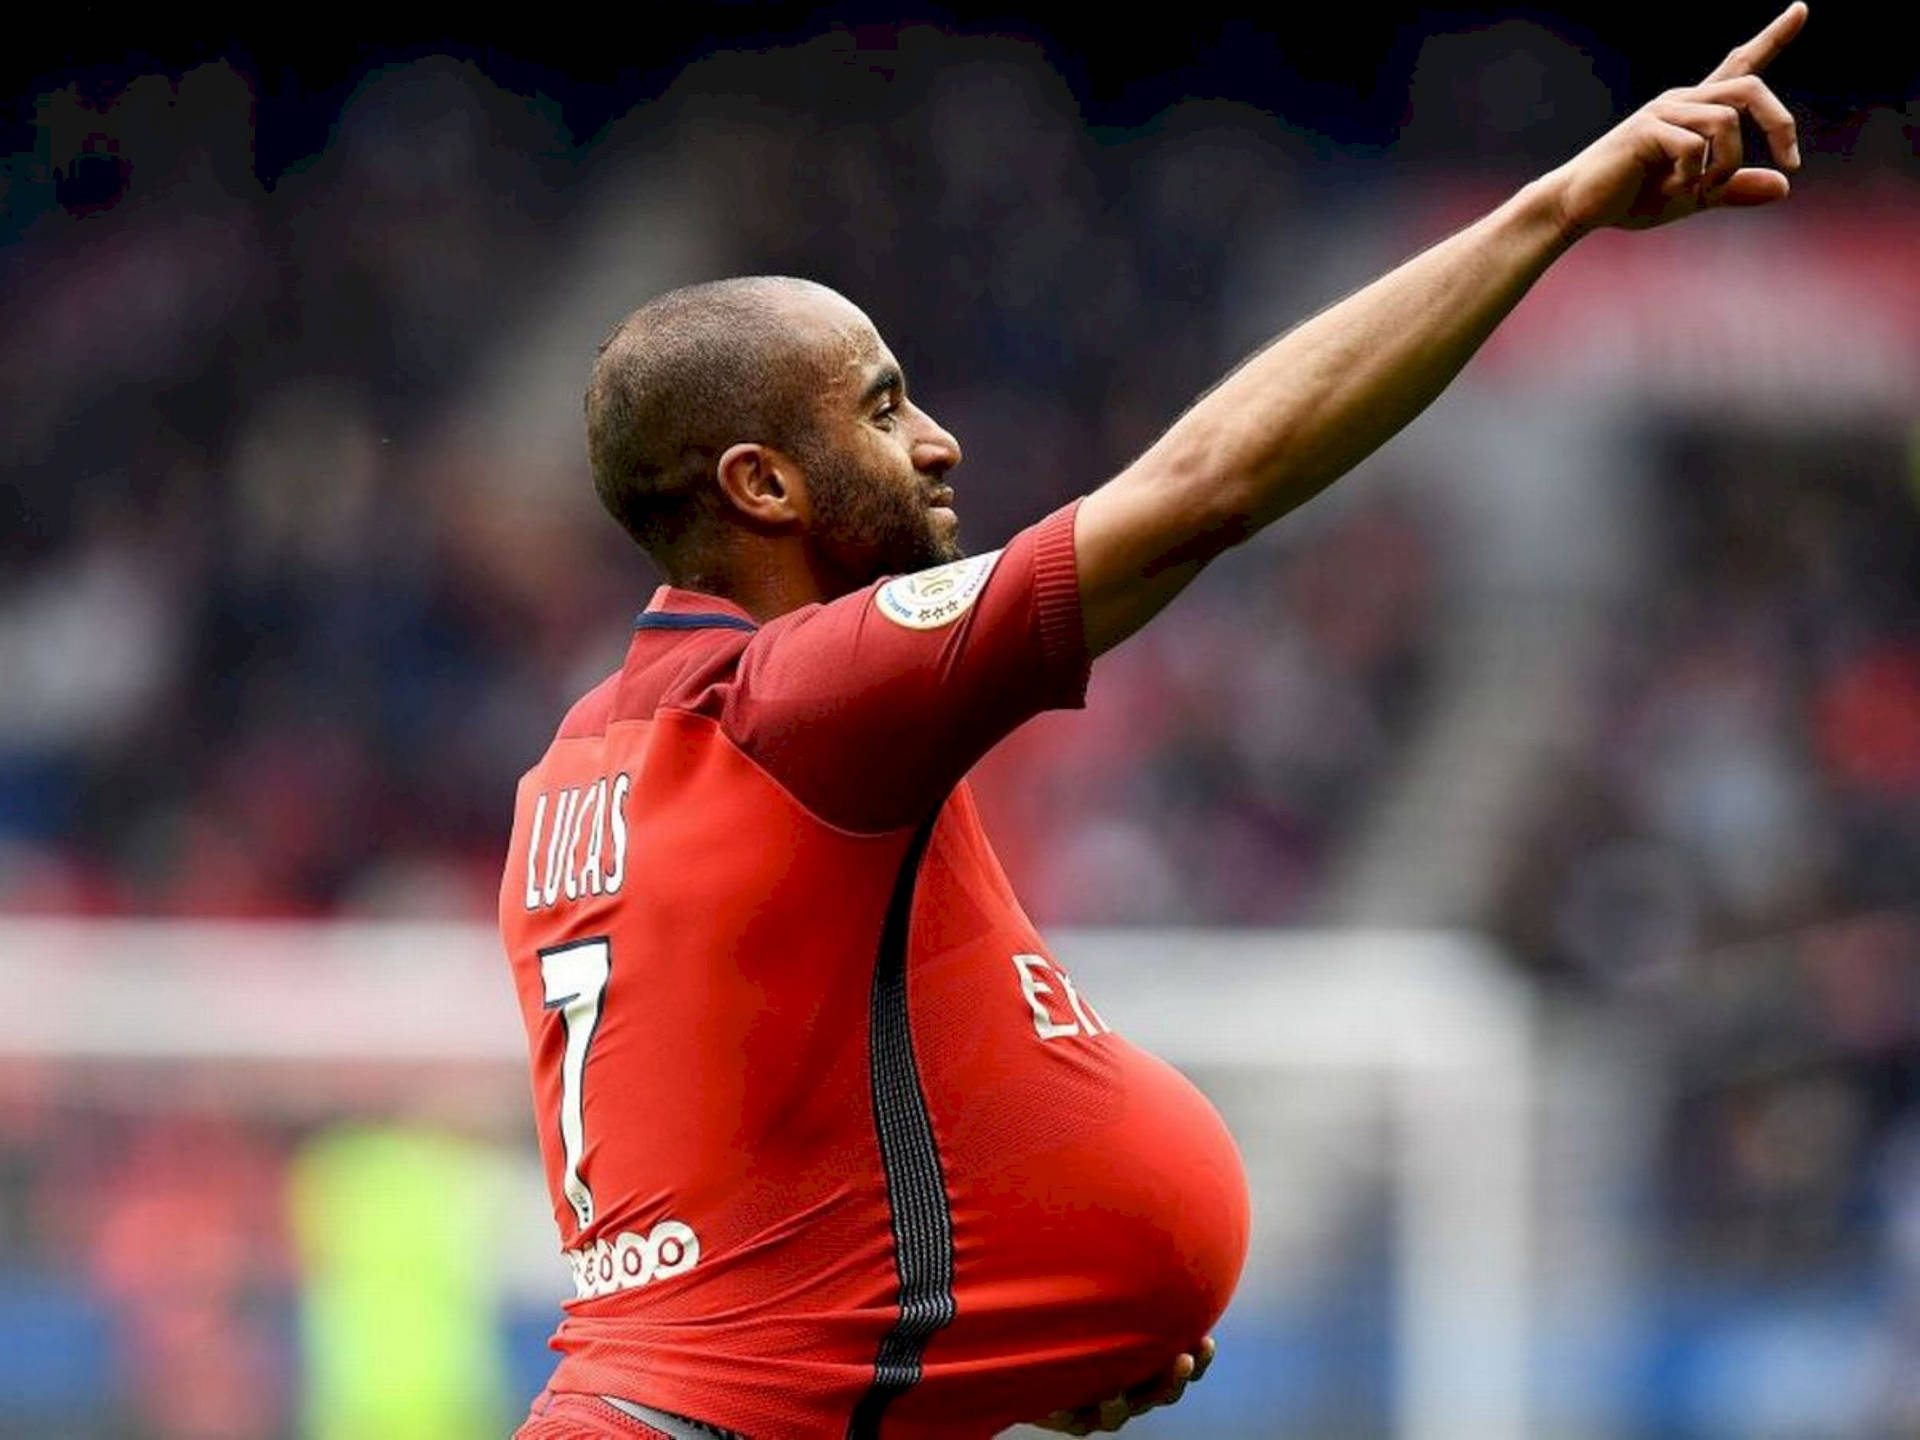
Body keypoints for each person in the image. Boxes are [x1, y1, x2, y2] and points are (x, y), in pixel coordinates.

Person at [499, 8, 1808, 1436]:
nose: (937, 441)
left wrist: (997, 1322)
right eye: (882, 410)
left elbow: (737, 1181)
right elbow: (1208, 489)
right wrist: (1555, 213)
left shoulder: (579, 771)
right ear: (763, 486)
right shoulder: (805, 699)